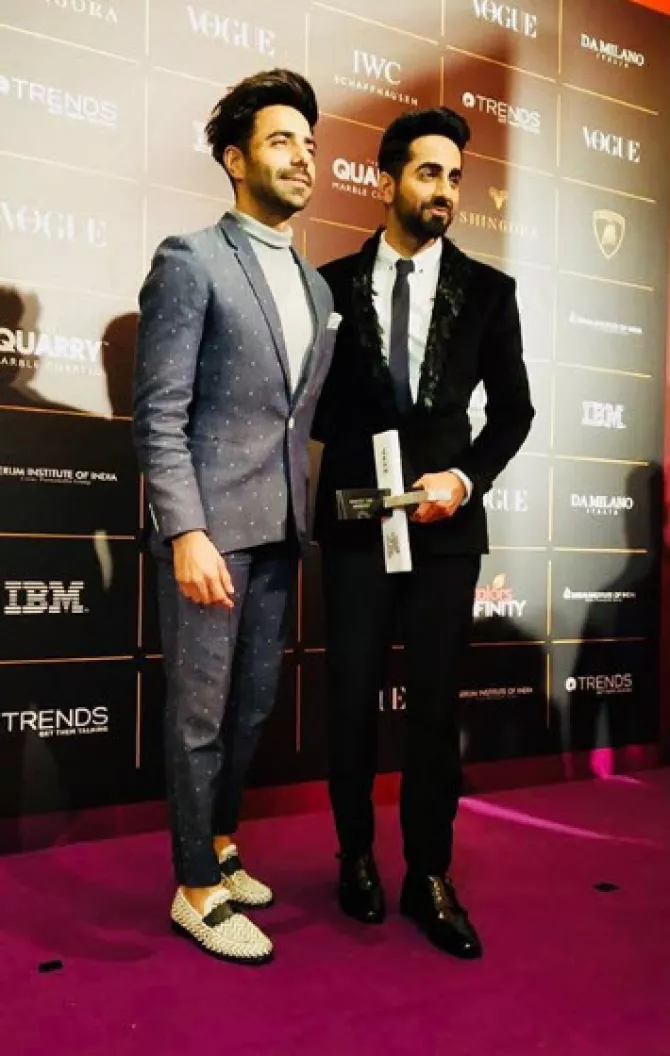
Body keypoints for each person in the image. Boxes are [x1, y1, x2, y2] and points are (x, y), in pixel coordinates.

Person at [312, 106, 534, 959]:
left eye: (454, 177)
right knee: (351, 698)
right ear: (388, 180)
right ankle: (355, 857)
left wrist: (462, 478)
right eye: (428, 172)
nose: (444, 190)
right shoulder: (327, 285)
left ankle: (429, 873)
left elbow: (513, 413)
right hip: (356, 523)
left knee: (435, 708)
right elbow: (308, 407)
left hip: (444, 530)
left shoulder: (490, 292)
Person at [133, 69, 338, 964]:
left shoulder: (318, 289)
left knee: (251, 709)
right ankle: (195, 890)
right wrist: (185, 531)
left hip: (283, 530)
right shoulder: (192, 260)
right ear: (236, 158)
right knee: (199, 718)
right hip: (212, 535)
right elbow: (160, 413)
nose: (303, 157)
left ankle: (220, 845)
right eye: (282, 140)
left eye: (310, 144)